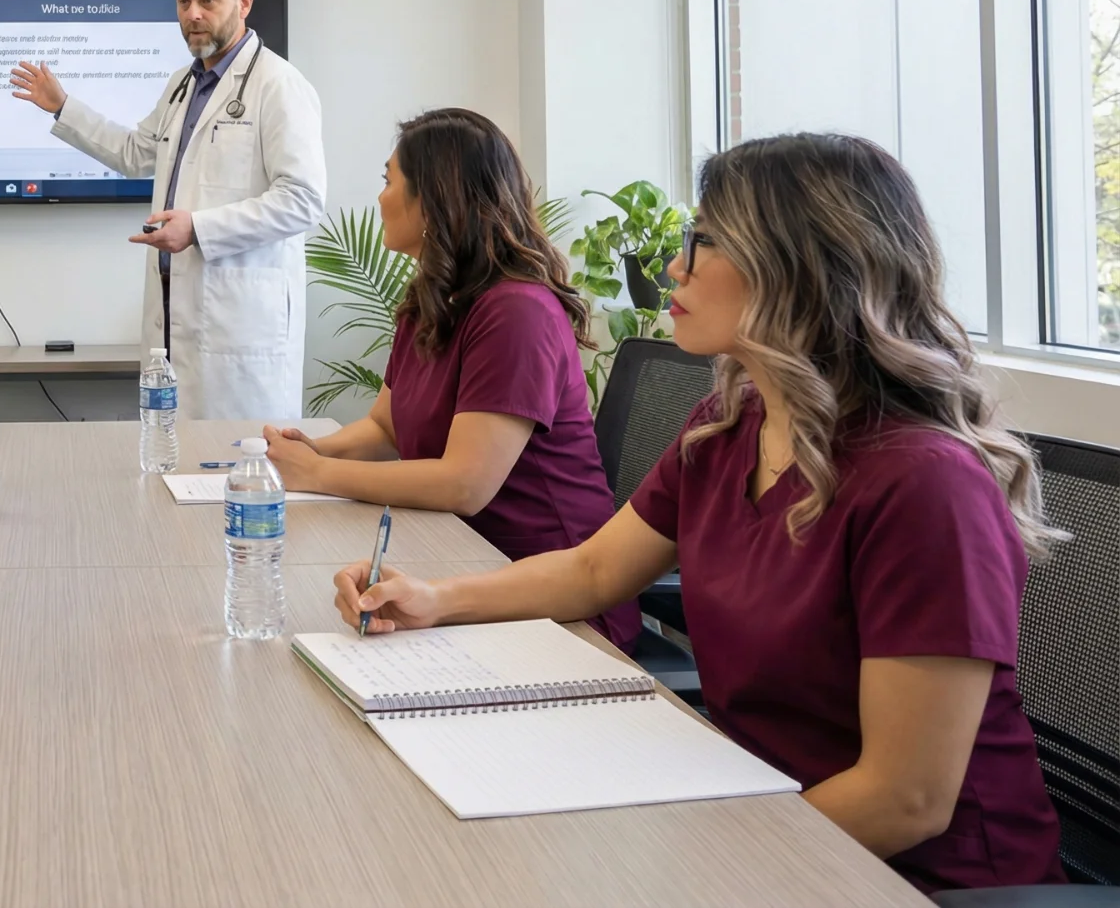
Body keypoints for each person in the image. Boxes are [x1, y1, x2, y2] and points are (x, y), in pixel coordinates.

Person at [334, 133, 1065, 895]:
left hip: (906, 879)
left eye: (703, 242)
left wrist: (699, 867)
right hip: (755, 809)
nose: (674, 268)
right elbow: (594, 569)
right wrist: (433, 598)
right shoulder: (728, 426)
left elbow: (904, 798)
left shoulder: (926, 485)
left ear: (795, 263)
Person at [266, 109, 636, 649]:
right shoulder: (432, 300)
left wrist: (319, 474)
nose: (380, 198)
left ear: (434, 197)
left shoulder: (517, 311)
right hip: (457, 561)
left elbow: (465, 484)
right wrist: (306, 453)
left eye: (389, 181)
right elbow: (385, 428)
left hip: (550, 599)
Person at [8, 0, 325, 419]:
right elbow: (136, 153)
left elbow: (302, 200)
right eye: (182, 2)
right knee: (170, 453)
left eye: (207, 1)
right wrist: (63, 107)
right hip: (176, 315)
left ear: (243, 3)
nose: (193, 15)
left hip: (239, 329)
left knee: (235, 457)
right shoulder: (183, 84)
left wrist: (198, 228)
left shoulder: (278, 84)